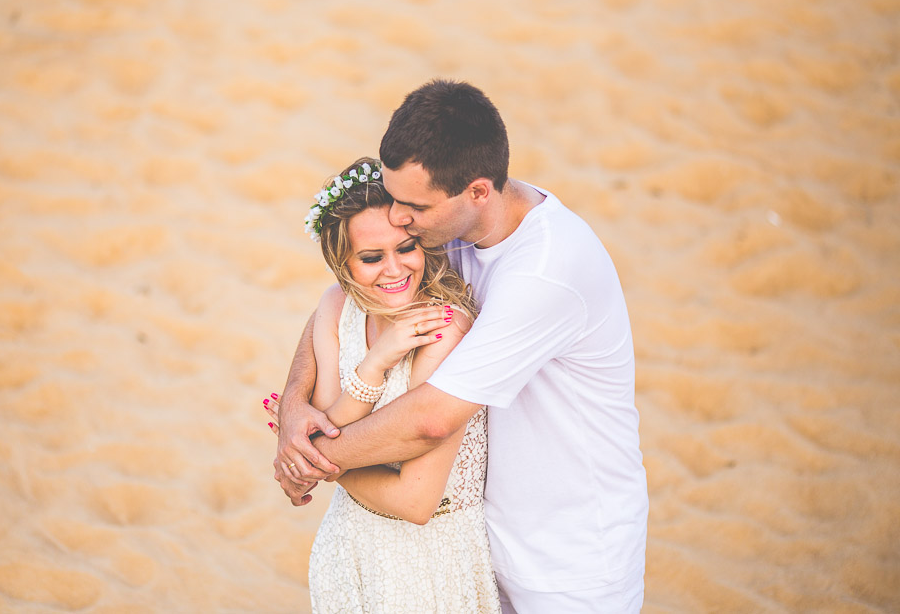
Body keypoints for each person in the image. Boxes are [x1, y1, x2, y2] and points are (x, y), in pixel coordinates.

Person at [275, 80, 649, 612]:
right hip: (478, 542)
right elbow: (341, 298)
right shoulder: (446, 225)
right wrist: (292, 404)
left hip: (569, 560)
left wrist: (307, 460)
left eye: (413, 208)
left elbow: (430, 418)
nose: (398, 217)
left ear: (477, 191)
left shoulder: (545, 271)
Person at [264, 157, 501, 612]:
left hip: (427, 560)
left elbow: (415, 500)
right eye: (372, 257)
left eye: (406, 248)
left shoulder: (444, 329)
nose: (394, 270)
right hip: (348, 546)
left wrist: (315, 463)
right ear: (344, 263)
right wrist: (375, 364)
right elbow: (330, 430)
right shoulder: (337, 307)